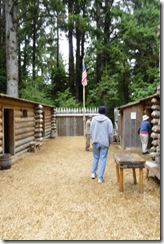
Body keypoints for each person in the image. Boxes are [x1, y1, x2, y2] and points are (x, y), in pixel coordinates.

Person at [90, 106, 114, 183]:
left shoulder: (93, 120)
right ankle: (100, 178)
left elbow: (91, 131)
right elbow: (110, 133)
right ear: (105, 112)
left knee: (95, 157)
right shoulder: (108, 121)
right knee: (103, 159)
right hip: (104, 142)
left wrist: (93, 139)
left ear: (98, 111)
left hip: (95, 141)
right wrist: (110, 142)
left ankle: (93, 173)